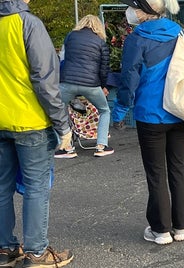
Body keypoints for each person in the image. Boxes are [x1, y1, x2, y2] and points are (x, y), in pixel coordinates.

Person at [0, 0, 75, 266]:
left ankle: (5, 248)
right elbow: (45, 80)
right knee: (36, 188)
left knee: (1, 186)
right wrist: (62, 125)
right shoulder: (28, 24)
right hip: (30, 121)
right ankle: (35, 252)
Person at [114, 0, 184, 245]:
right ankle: (181, 227)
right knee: (177, 168)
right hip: (179, 109)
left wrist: (119, 110)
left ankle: (160, 230)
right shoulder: (179, 32)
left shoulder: (137, 38)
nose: (129, 11)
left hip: (150, 113)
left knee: (156, 173)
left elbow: (129, 76)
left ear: (141, 11)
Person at [56, 14, 114, 158]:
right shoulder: (100, 42)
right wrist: (103, 86)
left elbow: (63, 58)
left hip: (67, 82)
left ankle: (66, 147)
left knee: (58, 110)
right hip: (91, 84)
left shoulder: (70, 37)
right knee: (104, 110)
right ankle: (101, 146)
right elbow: (104, 68)